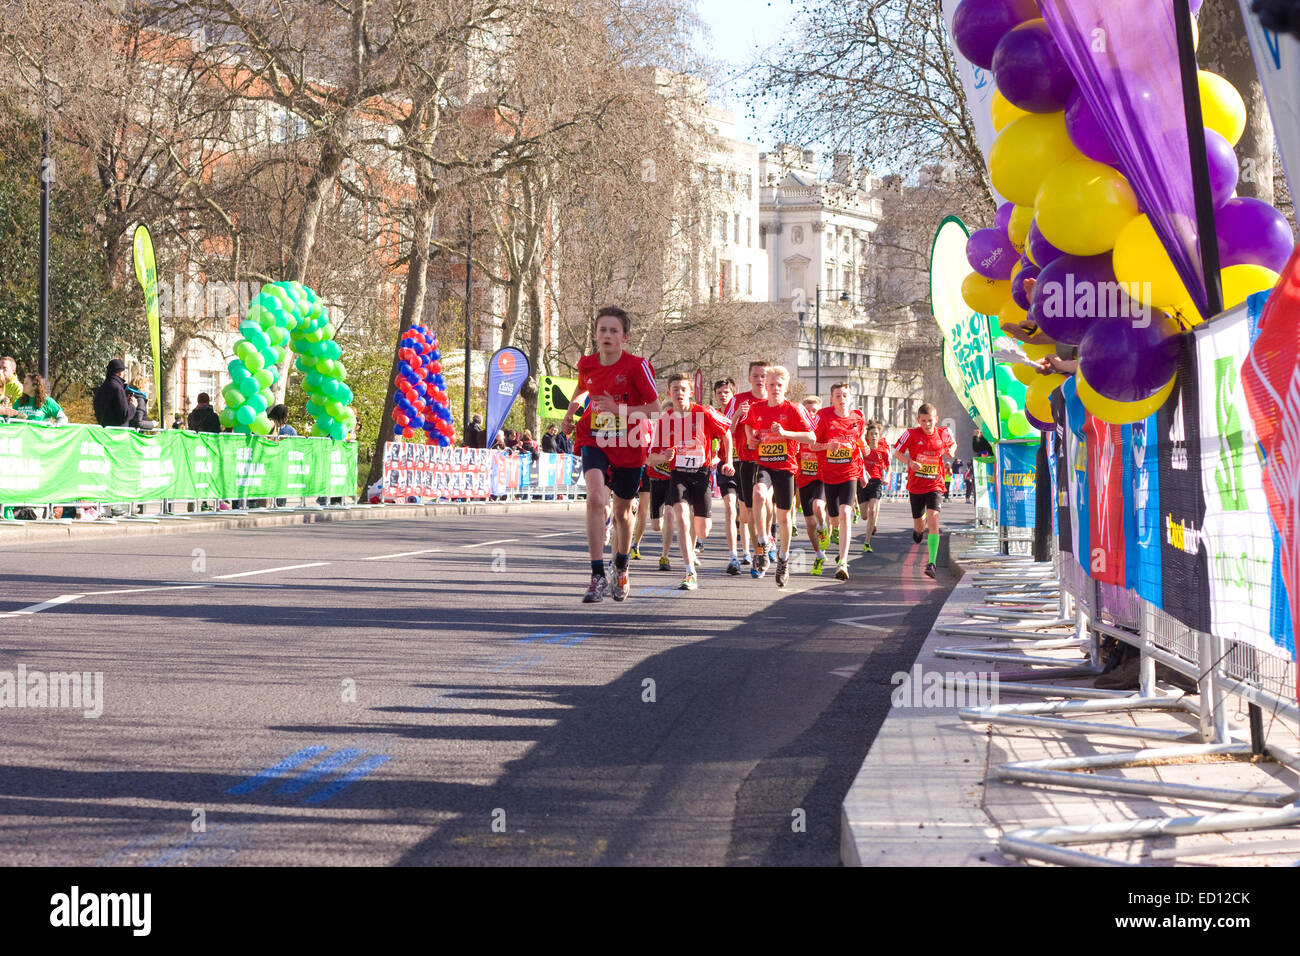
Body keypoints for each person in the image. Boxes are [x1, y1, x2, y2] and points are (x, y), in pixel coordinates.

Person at [561, 305, 660, 603]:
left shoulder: (637, 366)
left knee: (621, 511)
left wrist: (620, 410)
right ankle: (596, 575)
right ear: (595, 334)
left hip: (629, 442)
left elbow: (655, 410)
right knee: (594, 499)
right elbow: (581, 389)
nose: (607, 335)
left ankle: (621, 564)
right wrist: (571, 413)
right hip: (594, 437)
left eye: (613, 330)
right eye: (602, 330)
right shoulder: (587, 364)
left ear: (624, 337)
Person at [647, 374, 734, 590]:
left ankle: (697, 545)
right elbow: (650, 457)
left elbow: (727, 433)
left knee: (702, 530)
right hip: (679, 475)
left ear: (690, 392)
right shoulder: (665, 419)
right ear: (669, 393)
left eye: (683, 389)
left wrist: (727, 459)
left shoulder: (704, 412)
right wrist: (663, 457)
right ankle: (689, 572)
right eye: (675, 389)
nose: (679, 393)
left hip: (702, 475)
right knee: (682, 519)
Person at [739, 365, 815, 588]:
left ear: (786, 387)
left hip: (785, 467)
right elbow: (748, 426)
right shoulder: (757, 408)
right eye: (771, 385)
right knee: (758, 493)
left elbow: (810, 436)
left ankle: (783, 559)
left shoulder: (793, 409)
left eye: (778, 385)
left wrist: (785, 433)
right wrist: (752, 438)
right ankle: (762, 545)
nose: (774, 389)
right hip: (764, 464)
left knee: (784, 519)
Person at [808, 383, 865, 580]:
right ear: (831, 399)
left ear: (850, 398)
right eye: (838, 395)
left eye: (845, 395)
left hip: (850, 472)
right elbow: (812, 445)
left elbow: (858, 442)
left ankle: (843, 562)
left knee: (845, 512)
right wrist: (827, 446)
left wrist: (863, 461)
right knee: (834, 519)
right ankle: (830, 530)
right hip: (829, 475)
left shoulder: (858, 417)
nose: (842, 399)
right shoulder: (823, 416)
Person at [893, 402, 957, 580]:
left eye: (930, 420)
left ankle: (932, 563)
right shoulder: (911, 434)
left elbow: (953, 445)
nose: (927, 425)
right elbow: (897, 452)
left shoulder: (943, 432)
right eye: (923, 421)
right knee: (920, 526)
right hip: (916, 486)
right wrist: (909, 463)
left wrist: (951, 450)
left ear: (936, 419)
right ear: (918, 420)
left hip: (935, 484)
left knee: (933, 519)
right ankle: (918, 529)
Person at [725, 360, 771, 571]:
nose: (760, 380)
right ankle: (758, 552)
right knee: (748, 514)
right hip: (746, 460)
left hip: (771, 462)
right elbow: (724, 429)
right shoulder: (738, 399)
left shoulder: (775, 399)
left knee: (764, 499)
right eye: (756, 375)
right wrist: (737, 414)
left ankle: (767, 536)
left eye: (763, 376)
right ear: (749, 377)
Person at [711, 378, 746, 575]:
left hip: (745, 465)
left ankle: (752, 550)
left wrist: (742, 414)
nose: (723, 396)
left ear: (733, 394)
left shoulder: (745, 408)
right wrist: (737, 416)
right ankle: (733, 556)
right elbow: (726, 432)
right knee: (731, 507)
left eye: (727, 392)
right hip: (726, 465)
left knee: (746, 512)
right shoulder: (714, 414)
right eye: (719, 393)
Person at [795, 395, 830, 575]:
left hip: (821, 477)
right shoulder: (799, 431)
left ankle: (823, 528)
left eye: (814, 411)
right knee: (809, 524)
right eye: (807, 411)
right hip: (804, 479)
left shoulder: (823, 430)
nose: (810, 414)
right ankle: (819, 555)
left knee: (818, 507)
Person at [857, 420, 889, 553]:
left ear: (879, 436)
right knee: (864, 515)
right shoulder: (863, 448)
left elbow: (889, 466)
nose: (874, 436)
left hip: (876, 482)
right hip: (863, 482)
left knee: (873, 509)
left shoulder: (883, 450)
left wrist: (887, 477)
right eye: (871, 434)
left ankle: (867, 542)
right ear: (867, 436)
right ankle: (872, 522)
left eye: (876, 434)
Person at [92, 359, 132, 427]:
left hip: (105, 430)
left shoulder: (103, 386)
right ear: (120, 373)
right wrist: (133, 405)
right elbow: (124, 415)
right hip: (117, 432)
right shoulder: (117, 388)